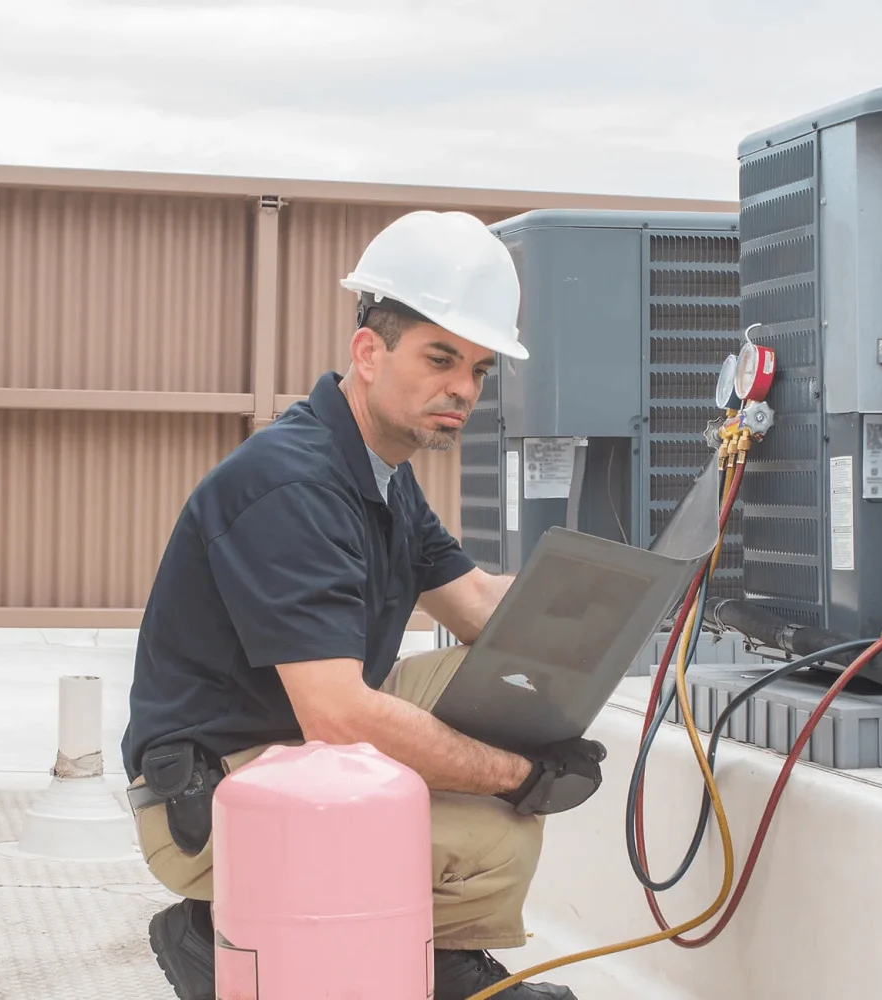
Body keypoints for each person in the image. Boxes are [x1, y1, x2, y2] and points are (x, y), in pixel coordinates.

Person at [120, 209, 606, 1000]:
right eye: (441, 357)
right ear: (368, 352)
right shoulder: (293, 484)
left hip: (288, 743)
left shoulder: (379, 472)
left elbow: (480, 607)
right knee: (494, 834)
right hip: (215, 800)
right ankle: (221, 935)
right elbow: (338, 715)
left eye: (480, 369)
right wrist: (517, 775)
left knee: (490, 686)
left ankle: (418, 950)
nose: (462, 388)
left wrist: (616, 604)